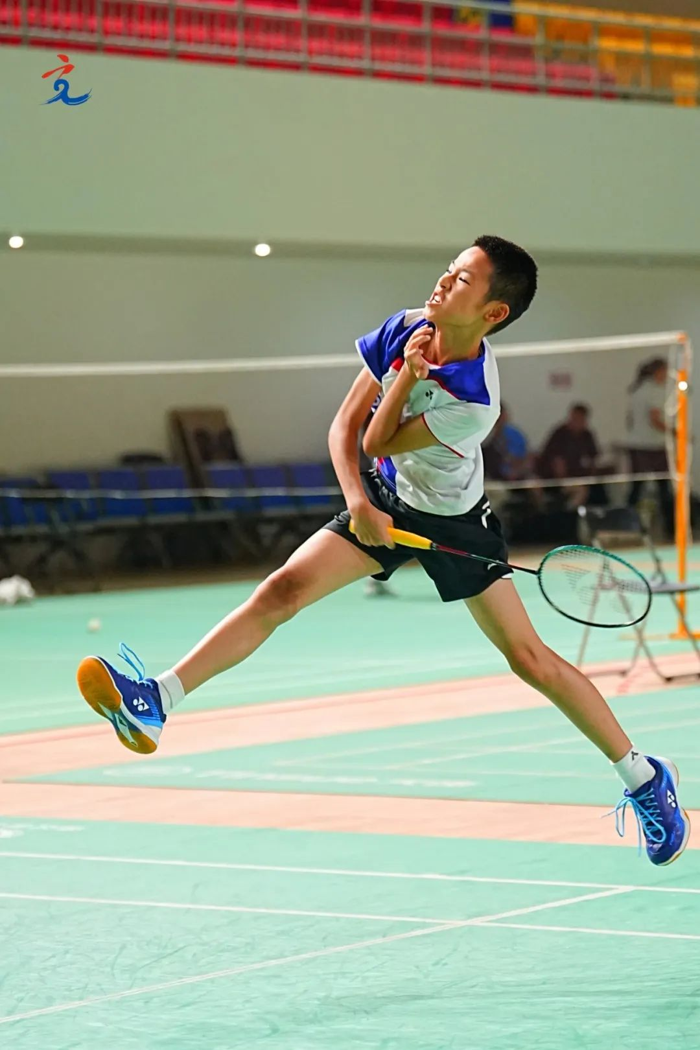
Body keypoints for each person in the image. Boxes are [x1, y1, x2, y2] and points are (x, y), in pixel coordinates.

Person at [76, 235, 689, 867]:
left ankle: (644, 776)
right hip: (386, 500)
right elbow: (343, 427)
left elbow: (377, 438)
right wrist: (361, 504)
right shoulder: (404, 326)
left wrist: (408, 376)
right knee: (281, 589)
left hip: (454, 525)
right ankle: (157, 700)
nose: (442, 282)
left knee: (529, 659)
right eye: (448, 270)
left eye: (462, 280)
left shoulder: (472, 401)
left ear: (493, 312)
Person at [626, 357, 674, 539]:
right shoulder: (653, 391)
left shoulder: (637, 390)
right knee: (664, 489)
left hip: (637, 446)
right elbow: (655, 420)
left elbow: (630, 420)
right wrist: (678, 433)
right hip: (652, 447)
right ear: (657, 372)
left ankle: (627, 527)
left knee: (636, 489)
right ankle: (671, 529)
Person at [537, 403, 603, 509]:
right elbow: (558, 466)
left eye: (581, 419)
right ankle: (568, 513)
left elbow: (594, 458)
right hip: (556, 481)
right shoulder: (560, 434)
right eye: (575, 418)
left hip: (581, 478)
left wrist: (591, 475)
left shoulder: (587, 435)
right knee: (582, 490)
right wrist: (565, 482)